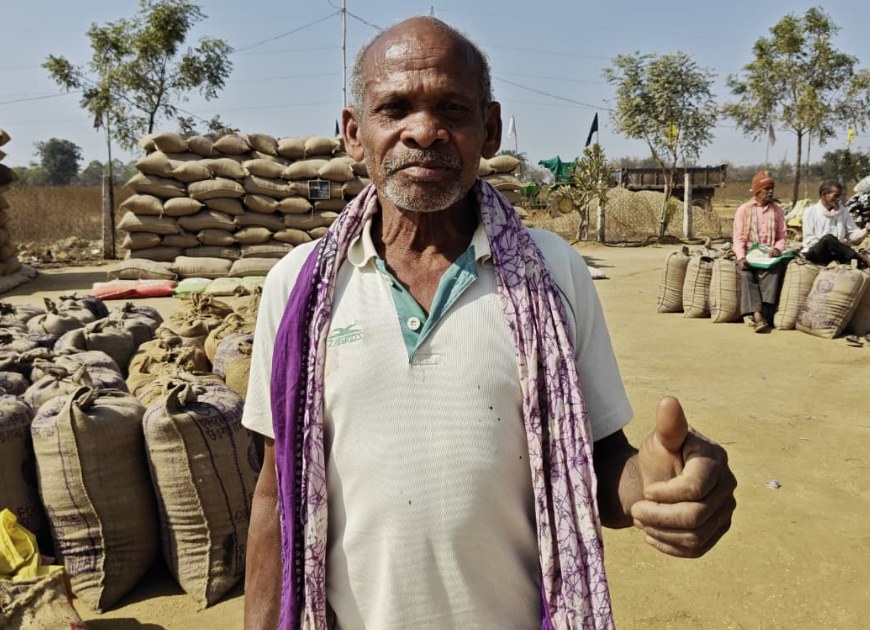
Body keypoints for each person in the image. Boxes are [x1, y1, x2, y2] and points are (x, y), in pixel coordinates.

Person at [242, 17, 736, 630]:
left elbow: (598, 466)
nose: (424, 130)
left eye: (452, 107)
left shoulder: (552, 273)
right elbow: (274, 495)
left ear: (491, 129)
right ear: (353, 133)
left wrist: (659, 483)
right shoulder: (299, 288)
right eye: (393, 108)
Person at [732, 171, 788, 333]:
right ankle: (757, 315)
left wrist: (778, 248)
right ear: (757, 191)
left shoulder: (777, 210)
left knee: (775, 271)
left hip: (769, 255)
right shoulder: (744, 210)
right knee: (747, 275)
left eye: (771, 189)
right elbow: (738, 238)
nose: (770, 192)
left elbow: (782, 236)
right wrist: (741, 258)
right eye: (766, 189)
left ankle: (764, 311)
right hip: (749, 254)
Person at [801, 180, 870, 268]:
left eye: (840, 196)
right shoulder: (810, 212)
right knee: (828, 239)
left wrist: (866, 229)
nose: (839, 199)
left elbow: (852, 236)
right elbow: (809, 240)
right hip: (815, 253)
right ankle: (863, 258)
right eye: (836, 196)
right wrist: (836, 243)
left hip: (837, 252)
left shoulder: (843, 211)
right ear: (824, 195)